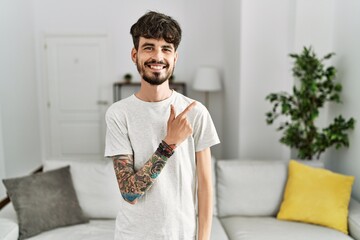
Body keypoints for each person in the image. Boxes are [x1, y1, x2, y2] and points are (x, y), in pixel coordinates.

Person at [105, 11, 220, 240]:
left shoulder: (196, 112)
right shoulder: (118, 114)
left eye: (166, 48)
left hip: (182, 234)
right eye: (149, 47)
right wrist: (169, 143)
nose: (157, 56)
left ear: (175, 57)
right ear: (134, 54)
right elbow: (129, 192)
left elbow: (205, 187)